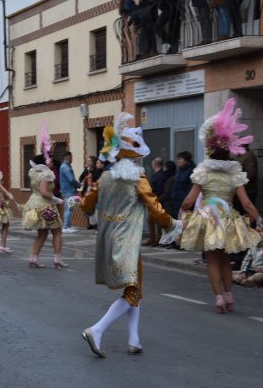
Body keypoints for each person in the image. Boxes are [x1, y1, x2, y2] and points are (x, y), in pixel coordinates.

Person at [80, 112, 178, 358]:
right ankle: (97, 329)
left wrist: (87, 207)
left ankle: (134, 339)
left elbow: (86, 206)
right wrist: (172, 225)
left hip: (107, 240)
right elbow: (155, 208)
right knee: (133, 291)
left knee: (135, 289)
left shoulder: (105, 178)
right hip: (129, 242)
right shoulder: (139, 178)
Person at [179, 98, 263, 314]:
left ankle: (218, 299)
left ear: (210, 150)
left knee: (212, 260)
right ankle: (229, 295)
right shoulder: (234, 173)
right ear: (228, 151)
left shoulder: (203, 172)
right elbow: (246, 202)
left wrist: (184, 210)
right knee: (226, 259)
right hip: (228, 218)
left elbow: (189, 200)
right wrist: (260, 220)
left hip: (208, 219)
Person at [22, 123, 69, 269]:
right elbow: (44, 191)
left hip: (33, 203)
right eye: (49, 160)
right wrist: (56, 199)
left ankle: (33, 257)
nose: (51, 162)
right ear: (44, 162)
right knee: (57, 230)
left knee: (42, 233)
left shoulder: (34, 172)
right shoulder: (46, 173)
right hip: (44, 204)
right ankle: (57, 258)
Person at [143, 156, 164, 246]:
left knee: (156, 220)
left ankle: (157, 239)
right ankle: (152, 238)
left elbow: (158, 188)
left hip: (156, 199)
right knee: (150, 220)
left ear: (154, 164)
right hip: (152, 199)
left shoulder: (160, 175)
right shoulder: (156, 174)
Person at [59, 151, 81, 233]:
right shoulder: (66, 167)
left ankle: (67, 225)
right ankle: (65, 226)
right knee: (70, 208)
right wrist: (78, 184)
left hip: (65, 190)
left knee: (67, 208)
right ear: (67, 157)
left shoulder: (63, 166)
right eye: (71, 157)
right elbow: (71, 179)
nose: (72, 159)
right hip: (69, 190)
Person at [170, 150, 195, 218]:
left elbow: (190, 188)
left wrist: (185, 201)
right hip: (175, 201)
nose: (178, 161)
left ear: (186, 160)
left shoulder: (192, 171)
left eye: (180, 159)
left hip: (184, 202)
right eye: (178, 159)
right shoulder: (180, 170)